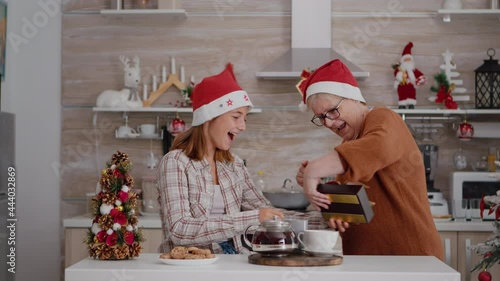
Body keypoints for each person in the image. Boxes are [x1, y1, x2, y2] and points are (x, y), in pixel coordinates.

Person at [157, 63, 323, 254]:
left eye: (245, 119)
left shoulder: (233, 165)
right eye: (236, 117)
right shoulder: (176, 162)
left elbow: (268, 213)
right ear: (209, 117)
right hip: (189, 266)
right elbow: (180, 230)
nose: (243, 126)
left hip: (231, 262)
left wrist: (323, 219)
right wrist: (251, 218)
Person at [295, 59, 443, 260]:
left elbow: (378, 147)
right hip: (370, 261)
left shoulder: (384, 118)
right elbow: (351, 212)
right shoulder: (347, 148)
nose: (328, 122)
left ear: (353, 98)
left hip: (410, 258)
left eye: (332, 111)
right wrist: (323, 193)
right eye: (321, 118)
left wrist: (315, 169)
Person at [393, 42, 427, 109]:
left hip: (411, 86)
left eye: (409, 59)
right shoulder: (400, 69)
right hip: (402, 85)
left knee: (412, 95)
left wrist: (421, 79)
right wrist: (400, 76)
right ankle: (402, 105)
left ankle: (411, 104)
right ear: (403, 61)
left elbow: (420, 75)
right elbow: (396, 73)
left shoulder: (414, 70)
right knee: (402, 95)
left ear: (411, 61)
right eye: (406, 60)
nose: (408, 61)